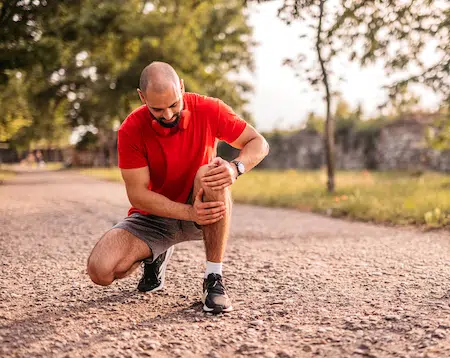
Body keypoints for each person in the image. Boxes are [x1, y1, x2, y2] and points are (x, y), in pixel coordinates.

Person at [87, 61, 269, 313]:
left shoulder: (209, 108)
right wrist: (187, 213)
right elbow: (138, 195)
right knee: (101, 271)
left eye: (174, 104)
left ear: (181, 87)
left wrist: (235, 167)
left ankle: (213, 279)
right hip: (155, 218)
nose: (168, 115)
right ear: (142, 98)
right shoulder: (131, 129)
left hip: (203, 207)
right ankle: (154, 256)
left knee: (212, 172)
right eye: (157, 109)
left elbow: (258, 142)